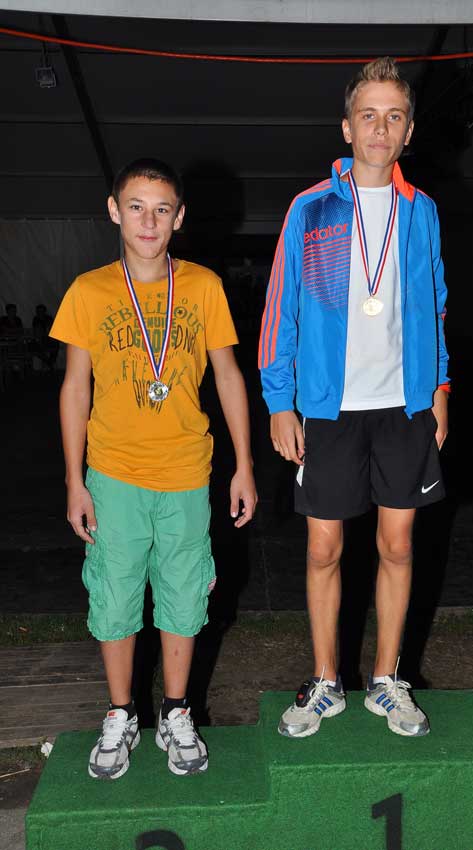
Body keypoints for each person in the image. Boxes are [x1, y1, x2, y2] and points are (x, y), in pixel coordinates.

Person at [259, 58, 449, 739]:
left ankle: (387, 681)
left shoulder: (420, 210)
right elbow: (282, 307)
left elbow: (435, 305)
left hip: (403, 406)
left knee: (397, 546)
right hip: (328, 408)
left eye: (393, 116)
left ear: (408, 131)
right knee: (323, 549)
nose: (380, 128)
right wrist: (280, 400)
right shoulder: (311, 208)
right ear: (346, 127)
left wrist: (439, 388)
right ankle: (325, 682)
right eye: (368, 115)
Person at [50, 158, 257, 779]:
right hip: (113, 474)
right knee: (114, 596)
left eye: (162, 209)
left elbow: (228, 376)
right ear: (114, 210)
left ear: (179, 217)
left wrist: (244, 465)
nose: (148, 220)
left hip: (187, 472)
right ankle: (120, 713)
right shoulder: (89, 290)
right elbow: (75, 387)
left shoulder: (203, 286)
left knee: (184, 595)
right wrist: (74, 479)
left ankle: (175, 710)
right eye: (136, 206)